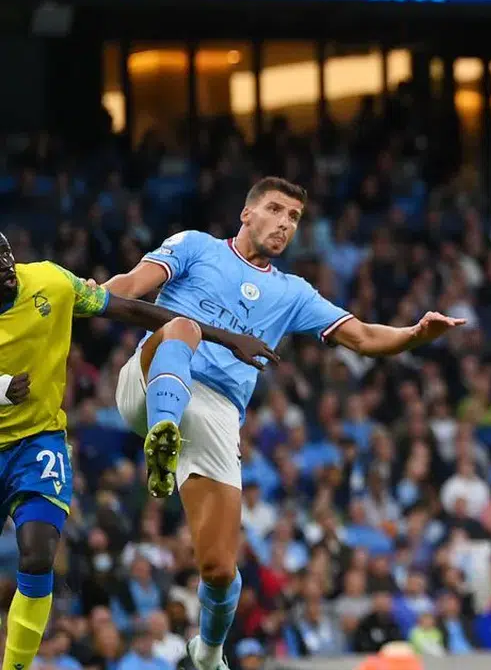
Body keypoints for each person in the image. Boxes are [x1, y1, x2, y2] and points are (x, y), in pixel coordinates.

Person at [103, 177, 465, 670]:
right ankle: (162, 436)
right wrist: (86, 297)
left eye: (293, 217)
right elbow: (127, 288)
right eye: (274, 210)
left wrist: (416, 334)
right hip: (153, 378)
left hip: (218, 413)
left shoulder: (293, 292)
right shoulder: (195, 246)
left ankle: (207, 653)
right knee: (182, 327)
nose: (284, 223)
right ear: (246, 214)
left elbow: (362, 336)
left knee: (219, 569)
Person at [0, 232, 272, 670]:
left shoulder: (49, 282)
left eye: (6, 255)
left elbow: (130, 309)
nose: (5, 266)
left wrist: (219, 337)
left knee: (36, 553)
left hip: (37, 442)